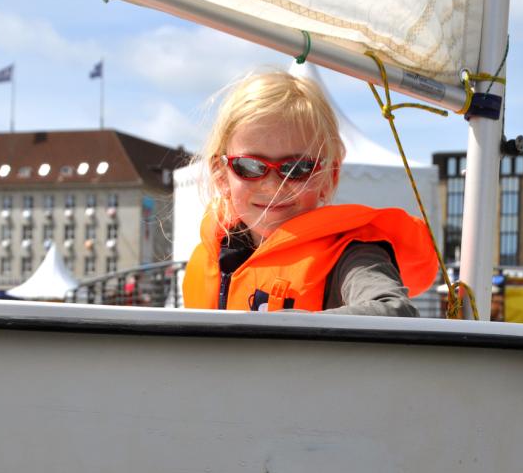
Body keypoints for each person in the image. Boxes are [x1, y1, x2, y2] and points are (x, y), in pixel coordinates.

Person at [182, 70, 438, 316]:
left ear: (331, 175)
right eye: (249, 166)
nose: (273, 186)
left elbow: (394, 310)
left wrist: (280, 329)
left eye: (296, 168)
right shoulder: (213, 257)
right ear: (220, 172)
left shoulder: (352, 254)